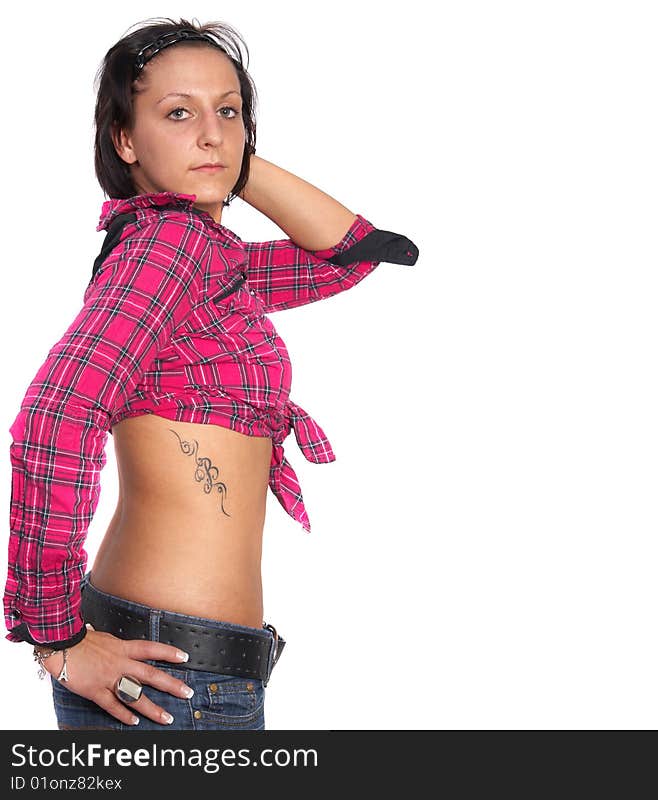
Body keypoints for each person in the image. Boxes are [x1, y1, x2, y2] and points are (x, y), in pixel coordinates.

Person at [3, 17, 418, 731]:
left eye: (227, 110)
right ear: (123, 140)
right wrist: (56, 637)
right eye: (176, 113)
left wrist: (229, 160)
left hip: (179, 665)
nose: (210, 131)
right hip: (173, 679)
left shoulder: (209, 261)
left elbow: (352, 255)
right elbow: (57, 416)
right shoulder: (167, 246)